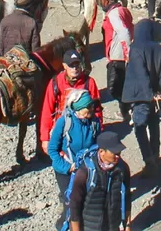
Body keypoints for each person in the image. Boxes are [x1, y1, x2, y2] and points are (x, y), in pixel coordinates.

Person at [120, 19, 161, 176]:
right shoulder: (160, 48)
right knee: (154, 125)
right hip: (156, 97)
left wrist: (149, 94)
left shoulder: (136, 49)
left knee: (140, 128)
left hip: (141, 97)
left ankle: (149, 161)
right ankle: (155, 156)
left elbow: (141, 75)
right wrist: (159, 91)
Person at [47, 92, 101, 231]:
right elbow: (52, 149)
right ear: (79, 109)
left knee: (86, 202)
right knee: (71, 203)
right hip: (66, 171)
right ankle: (64, 226)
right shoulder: (64, 122)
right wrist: (67, 167)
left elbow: (98, 145)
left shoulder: (94, 122)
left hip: (86, 170)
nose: (92, 110)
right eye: (88, 108)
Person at [39, 48, 103, 151]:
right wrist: (45, 139)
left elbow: (97, 111)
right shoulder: (55, 82)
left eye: (77, 64)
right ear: (64, 66)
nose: (75, 68)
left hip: (85, 130)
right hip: (61, 129)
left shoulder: (89, 83)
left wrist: (99, 134)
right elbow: (47, 110)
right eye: (71, 65)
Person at [65, 130, 130, 231]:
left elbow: (126, 197)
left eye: (119, 152)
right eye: (115, 152)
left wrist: (128, 225)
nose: (118, 156)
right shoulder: (84, 172)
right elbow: (75, 206)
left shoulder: (123, 169)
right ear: (101, 152)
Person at [99, 0, 134, 124]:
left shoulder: (113, 14)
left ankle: (129, 107)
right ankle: (125, 111)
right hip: (118, 55)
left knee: (113, 89)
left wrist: (127, 53)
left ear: (106, 0)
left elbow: (124, 32)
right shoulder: (123, 10)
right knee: (123, 85)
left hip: (117, 56)